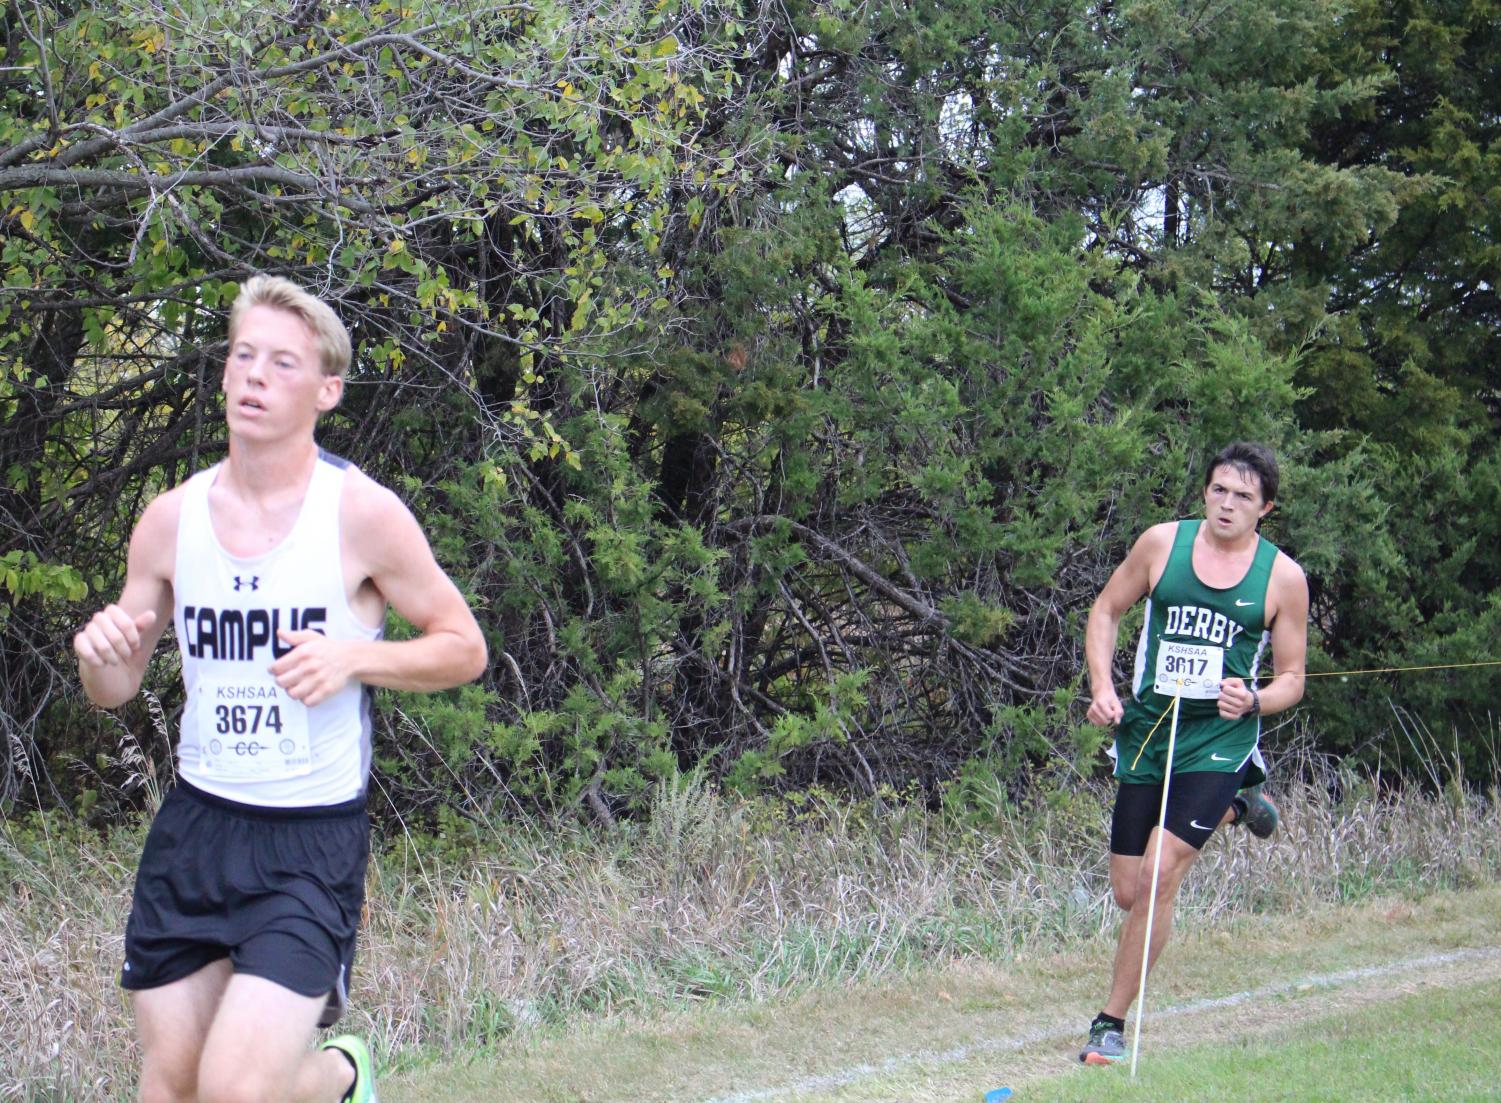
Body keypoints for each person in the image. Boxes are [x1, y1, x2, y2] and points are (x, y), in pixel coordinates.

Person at [73, 276, 487, 1103]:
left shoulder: (360, 513)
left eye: (282, 362)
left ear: (326, 390)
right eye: (243, 355)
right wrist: (99, 653)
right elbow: (113, 689)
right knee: (173, 1088)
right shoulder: (169, 519)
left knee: (233, 1091)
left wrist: (353, 659)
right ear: (224, 375)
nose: (255, 375)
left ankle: (340, 1074)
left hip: (307, 844)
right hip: (195, 830)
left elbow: (463, 647)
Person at [1077, 441, 1309, 1065]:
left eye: (1243, 496)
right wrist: (1103, 688)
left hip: (1218, 740)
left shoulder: (1282, 578)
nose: (1227, 504)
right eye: (1219, 491)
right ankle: (1239, 807)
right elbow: (1105, 610)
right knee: (1128, 891)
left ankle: (1110, 1024)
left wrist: (1254, 700)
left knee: (1157, 876)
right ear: (1204, 493)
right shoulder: (1162, 544)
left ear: (1266, 509)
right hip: (1151, 731)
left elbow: (1292, 679)